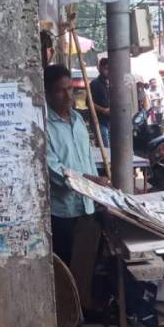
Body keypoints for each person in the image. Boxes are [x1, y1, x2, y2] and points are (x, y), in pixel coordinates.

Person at [45, 64, 109, 265]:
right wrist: (88, 179)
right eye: (60, 91)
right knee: (67, 269)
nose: (67, 95)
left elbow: (87, 159)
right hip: (63, 212)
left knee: (90, 266)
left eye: (70, 88)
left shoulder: (78, 119)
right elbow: (53, 169)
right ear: (46, 93)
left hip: (87, 207)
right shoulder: (43, 125)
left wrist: (98, 187)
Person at [90, 57, 112, 147]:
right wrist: (103, 110)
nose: (108, 71)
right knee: (104, 147)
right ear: (100, 68)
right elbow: (89, 103)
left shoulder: (112, 83)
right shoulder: (94, 84)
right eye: (106, 69)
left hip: (111, 121)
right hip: (99, 121)